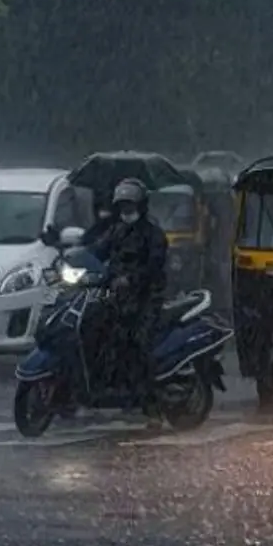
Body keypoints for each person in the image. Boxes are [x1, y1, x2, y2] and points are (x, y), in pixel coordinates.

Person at [93, 179, 168, 423]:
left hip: (146, 299)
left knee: (138, 345)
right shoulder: (115, 231)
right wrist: (68, 253)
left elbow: (154, 266)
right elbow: (95, 251)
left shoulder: (153, 235)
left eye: (131, 205)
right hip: (116, 298)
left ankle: (152, 406)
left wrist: (130, 280)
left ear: (142, 206)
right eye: (122, 206)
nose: (127, 211)